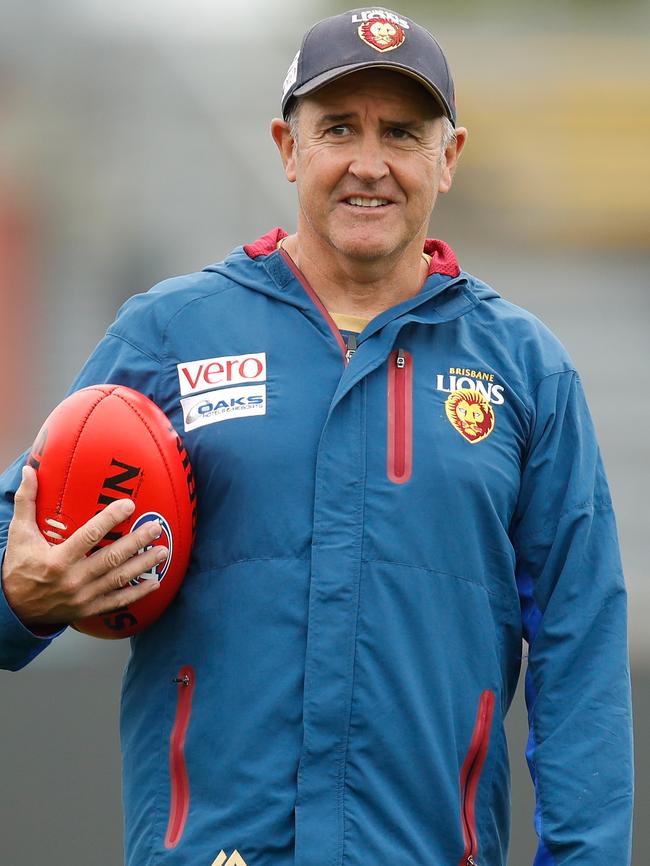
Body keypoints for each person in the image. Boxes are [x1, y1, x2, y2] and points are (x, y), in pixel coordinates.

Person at [0, 8, 633, 866]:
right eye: (338, 128)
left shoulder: (525, 370)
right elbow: (20, 534)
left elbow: (582, 647)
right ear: (287, 146)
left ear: (447, 159)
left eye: (402, 133)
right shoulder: (171, 334)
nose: (368, 164)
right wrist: (22, 600)